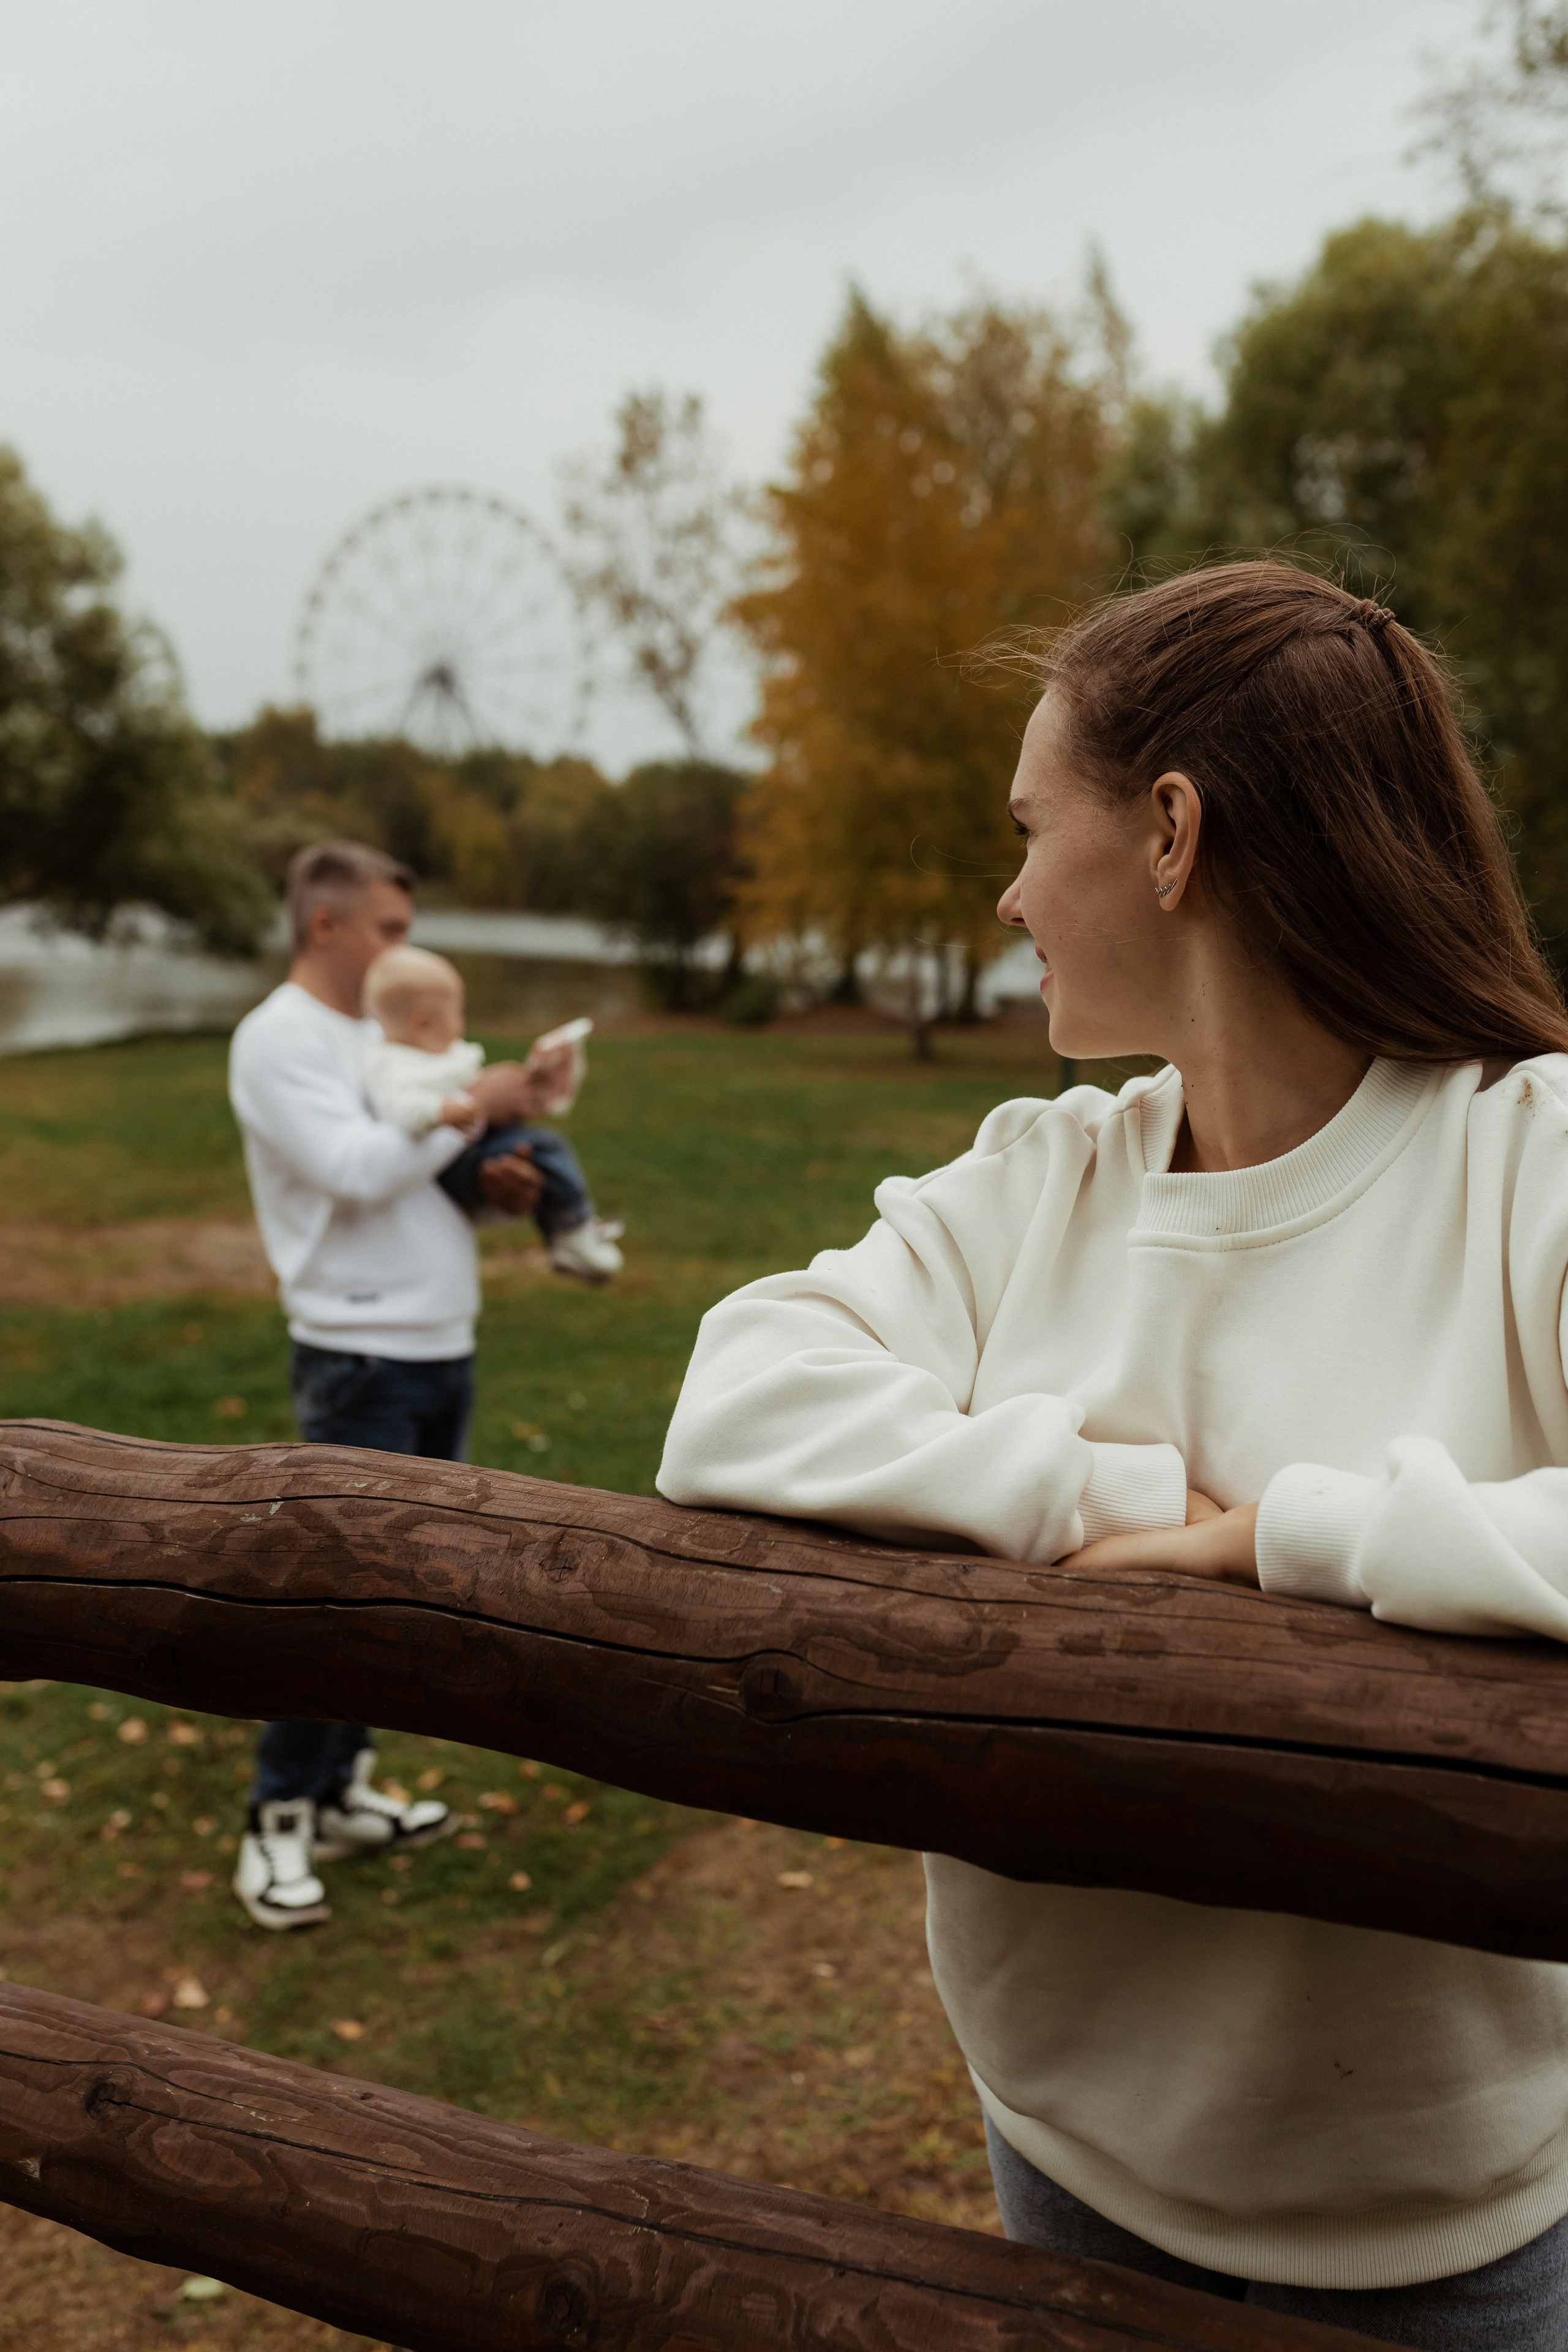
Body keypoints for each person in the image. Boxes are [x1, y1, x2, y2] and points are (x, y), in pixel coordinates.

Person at [657, 562, 1568, 2349]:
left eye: (1024, 826)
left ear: (1168, 831)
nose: (1005, 894)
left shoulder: (1521, 1156)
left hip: (1438, 2224)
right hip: (1062, 2143)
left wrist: (1285, 1537)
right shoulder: (1042, 1172)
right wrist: (1115, 1496)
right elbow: (735, 1391)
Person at [227, 840, 558, 1931]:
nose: (406, 952)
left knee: (396, 1594)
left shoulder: (380, 1033)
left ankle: (340, 1790)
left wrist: (492, 1182)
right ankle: (276, 1820)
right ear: (326, 926)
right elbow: (357, 1172)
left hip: (438, 1340)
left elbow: (415, 1178)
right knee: (328, 1594)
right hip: (357, 1352)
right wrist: (473, 1102)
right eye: (390, 930)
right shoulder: (278, 1042)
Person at [361, 943, 624, 1282]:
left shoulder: (433, 1052)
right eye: (457, 1013)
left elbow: (473, 1085)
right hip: (456, 1164)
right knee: (549, 1147)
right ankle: (576, 1229)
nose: (461, 1024)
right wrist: (446, 1110)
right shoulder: (393, 1064)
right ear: (422, 1023)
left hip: (473, 1146)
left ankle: (567, 1236)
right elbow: (401, 1108)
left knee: (538, 1158)